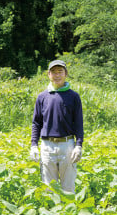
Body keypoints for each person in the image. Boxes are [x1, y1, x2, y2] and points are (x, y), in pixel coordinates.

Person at [30, 60, 84, 193]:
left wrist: (78, 145)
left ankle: (68, 213)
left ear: (66, 74)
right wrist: (33, 145)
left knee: (68, 188)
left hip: (67, 146)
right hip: (47, 146)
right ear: (49, 74)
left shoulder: (74, 97)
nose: (57, 75)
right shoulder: (42, 97)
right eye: (53, 72)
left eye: (60, 71)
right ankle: (52, 213)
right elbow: (36, 123)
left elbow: (78, 123)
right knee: (49, 188)